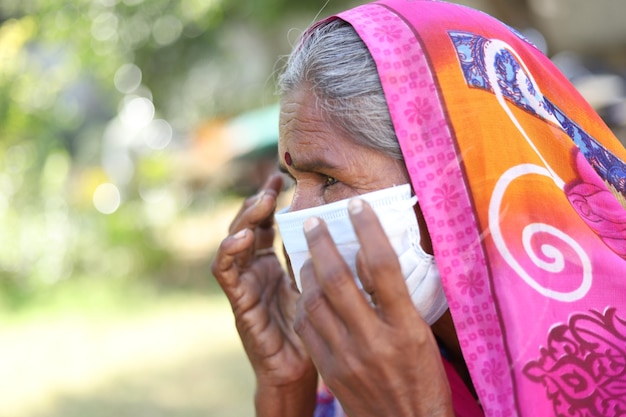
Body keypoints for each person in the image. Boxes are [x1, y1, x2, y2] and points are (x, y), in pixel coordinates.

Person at [211, 1, 626, 416]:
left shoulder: (606, 363)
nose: (295, 217)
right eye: (292, 182)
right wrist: (287, 386)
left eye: (329, 180)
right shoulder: (366, 371)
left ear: (455, 186)